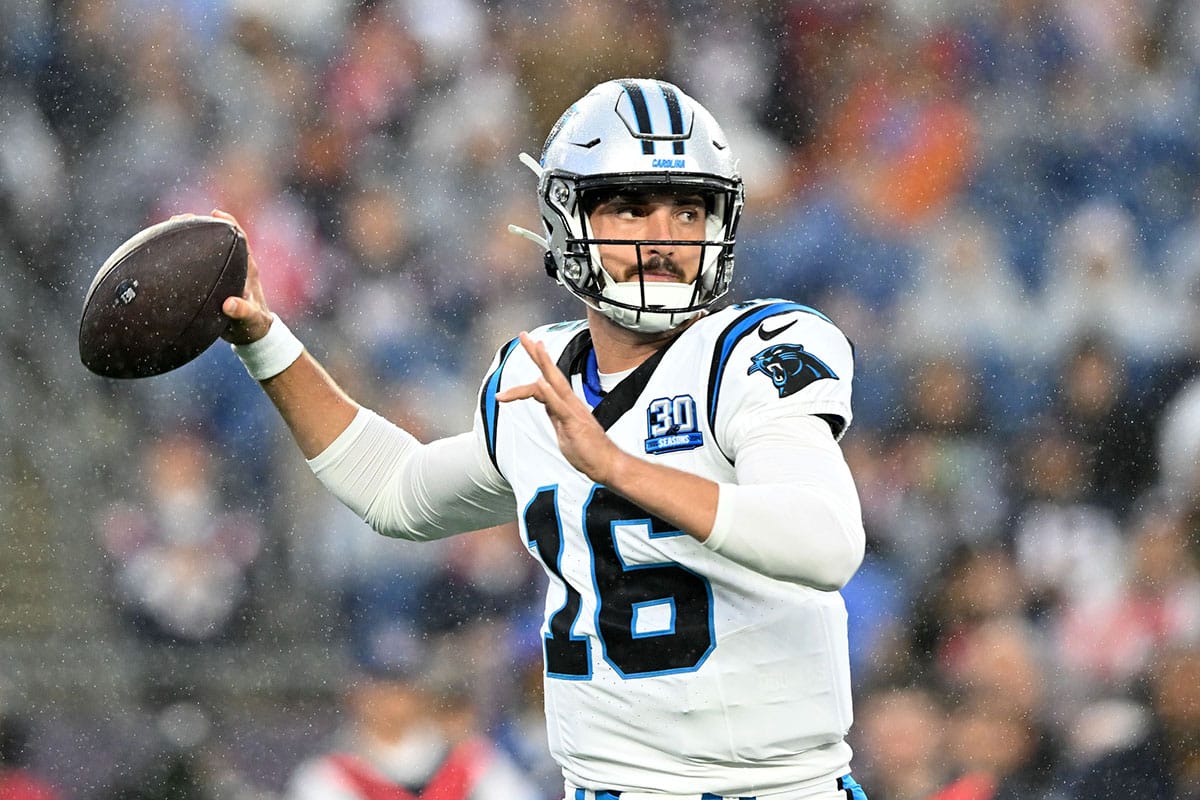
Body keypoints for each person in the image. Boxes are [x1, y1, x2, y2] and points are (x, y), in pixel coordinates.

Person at [211, 78, 867, 800]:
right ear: (566, 217)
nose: (665, 236)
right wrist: (265, 342)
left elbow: (825, 540)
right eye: (629, 207)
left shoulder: (749, 355)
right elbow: (395, 491)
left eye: (688, 207)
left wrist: (615, 465)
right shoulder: (536, 379)